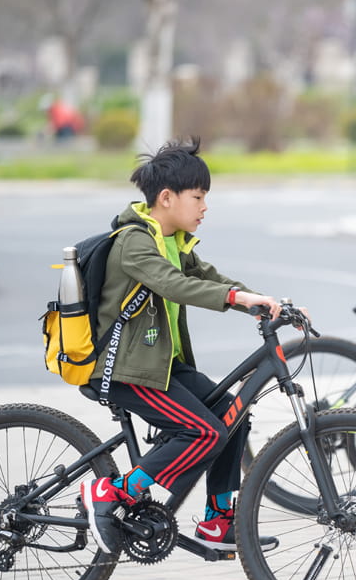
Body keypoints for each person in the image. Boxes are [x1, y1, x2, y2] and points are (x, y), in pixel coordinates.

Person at [79, 138, 283, 555]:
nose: (205, 207)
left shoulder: (172, 240)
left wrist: (260, 300)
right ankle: (113, 493)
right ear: (167, 198)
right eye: (198, 197)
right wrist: (237, 300)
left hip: (159, 366)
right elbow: (174, 284)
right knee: (204, 431)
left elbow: (208, 276)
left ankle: (218, 520)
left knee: (234, 413)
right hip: (124, 369)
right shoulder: (134, 242)